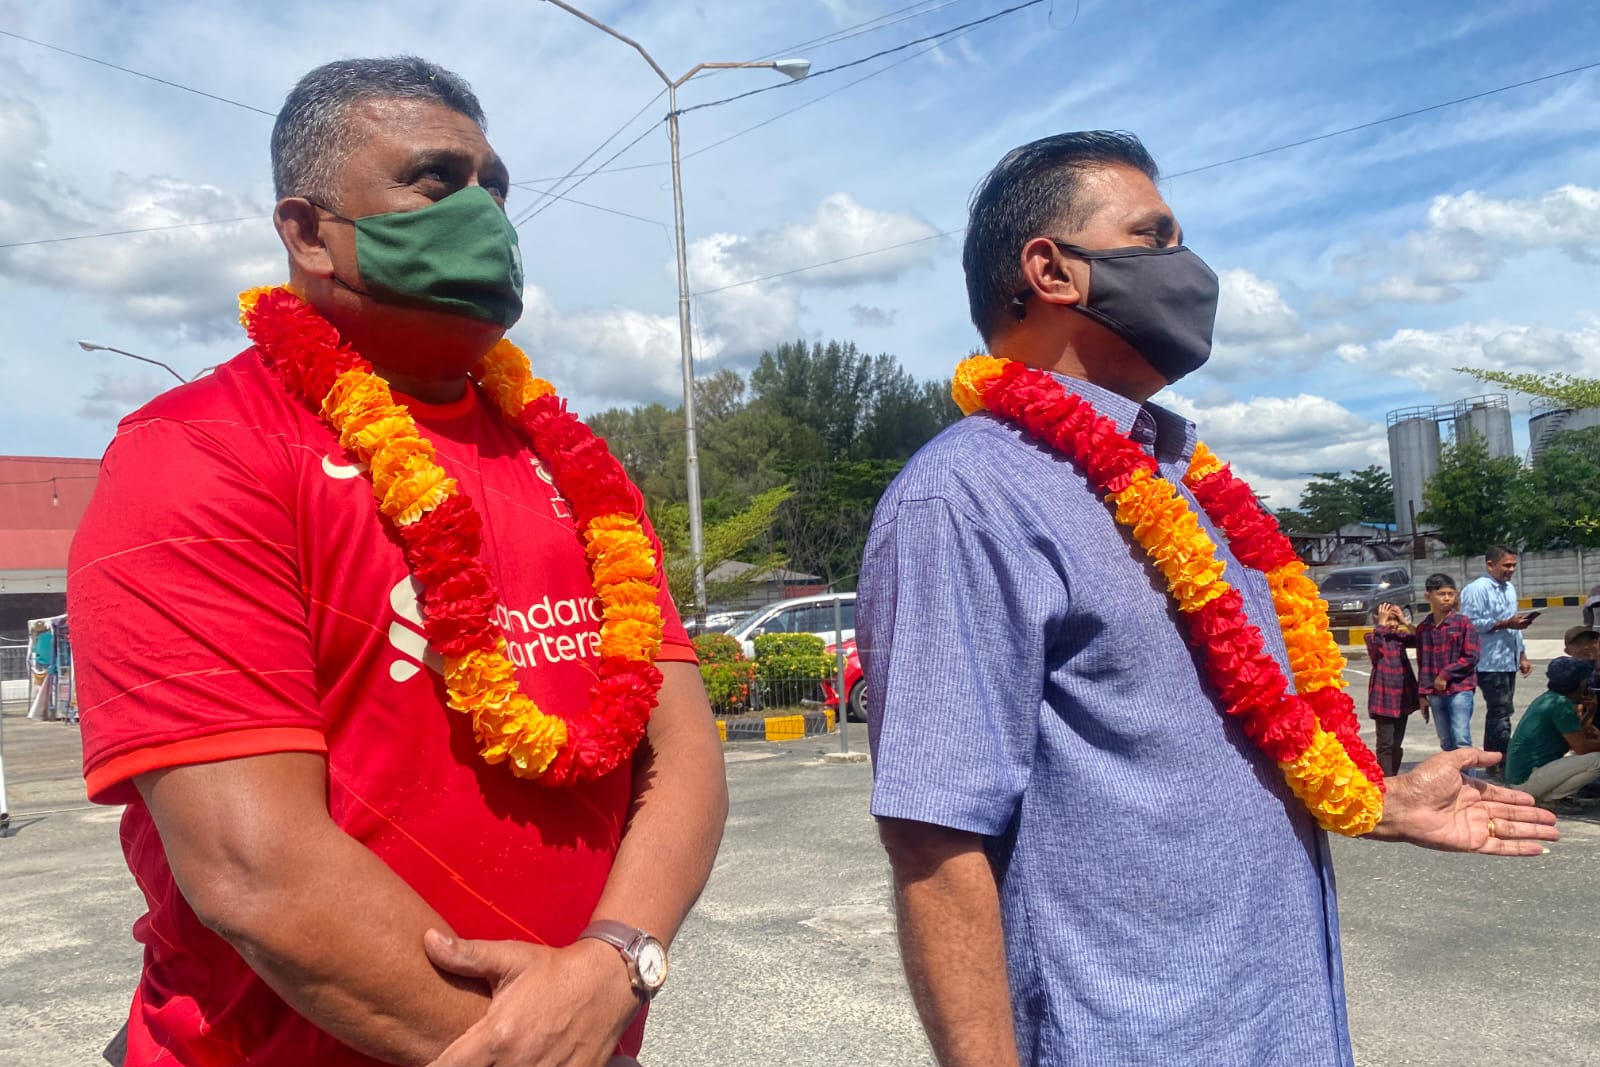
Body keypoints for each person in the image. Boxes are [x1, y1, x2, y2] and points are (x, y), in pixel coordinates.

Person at [68, 58, 727, 1067]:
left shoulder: (576, 466)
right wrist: (540, 1048)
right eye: (436, 180)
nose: (484, 214)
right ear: (307, 231)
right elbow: (256, 867)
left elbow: (683, 757)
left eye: (494, 186)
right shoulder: (200, 452)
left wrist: (615, 962)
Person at [859, 131, 1559, 1067]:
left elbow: (1218, 746)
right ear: (1050, 269)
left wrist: (1379, 802)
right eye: (1155, 239)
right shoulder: (968, 496)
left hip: (1284, 1026)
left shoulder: (1191, 484)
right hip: (1131, 1039)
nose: (1189, 269)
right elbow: (934, 838)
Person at [1461, 546, 1534, 774]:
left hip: (1507, 659)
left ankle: (1494, 761)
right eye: (1506, 565)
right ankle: (1500, 763)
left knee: (1501, 711)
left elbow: (1514, 625)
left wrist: (1522, 655)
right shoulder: (1477, 589)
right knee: (1500, 711)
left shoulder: (1509, 589)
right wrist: (1504, 624)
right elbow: (1469, 624)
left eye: (1513, 565)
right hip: (1488, 662)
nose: (1511, 570)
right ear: (1490, 564)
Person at [1504, 657, 1600, 810]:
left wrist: (1590, 712)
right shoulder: (1561, 705)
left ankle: (1549, 796)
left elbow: (1577, 735)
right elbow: (1582, 748)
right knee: (1597, 760)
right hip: (1526, 781)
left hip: (1523, 777)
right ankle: (1550, 798)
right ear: (1579, 684)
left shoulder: (1549, 698)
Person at [1415, 573, 1480, 754]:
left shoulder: (1463, 623)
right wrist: (1422, 695)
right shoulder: (1423, 628)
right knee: (1445, 741)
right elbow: (1423, 663)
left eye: (1450, 594)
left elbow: (1472, 656)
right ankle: (1452, 773)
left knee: (1461, 739)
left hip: (1460, 689)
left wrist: (1445, 675)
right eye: (1441, 594)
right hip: (1435, 693)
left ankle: (1467, 773)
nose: (1446, 598)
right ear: (1428, 596)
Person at [1363, 603, 1423, 776]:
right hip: (1384, 699)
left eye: (1394, 620)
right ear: (1376, 619)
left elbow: (1422, 639)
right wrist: (1381, 623)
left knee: (1396, 744)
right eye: (1388, 619)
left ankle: (1393, 776)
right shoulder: (1372, 637)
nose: (1392, 624)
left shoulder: (1400, 638)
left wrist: (1405, 622)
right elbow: (1376, 644)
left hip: (1402, 697)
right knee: (1386, 744)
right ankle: (1386, 781)